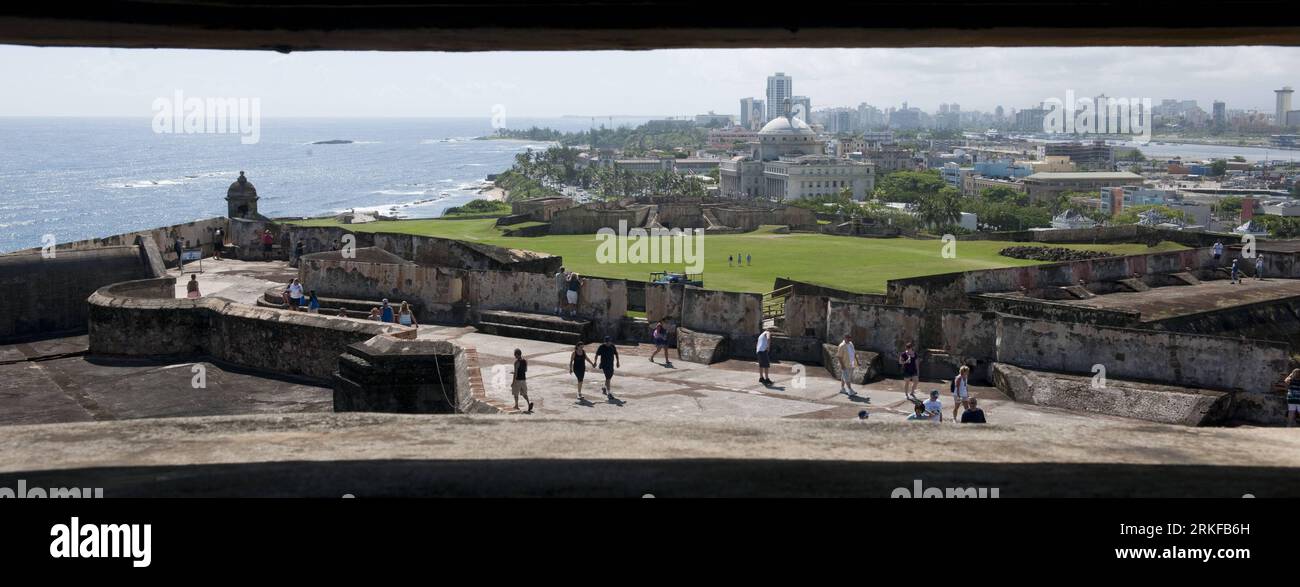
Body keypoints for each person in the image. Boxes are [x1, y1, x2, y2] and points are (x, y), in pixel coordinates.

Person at [511, 348, 533, 413]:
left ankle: (516, 406)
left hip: (518, 380)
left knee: (515, 393)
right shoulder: (525, 361)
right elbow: (525, 370)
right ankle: (528, 403)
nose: (514, 356)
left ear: (517, 354)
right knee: (524, 394)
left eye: (515, 355)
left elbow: (516, 374)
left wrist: (513, 383)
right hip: (523, 380)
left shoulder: (516, 362)